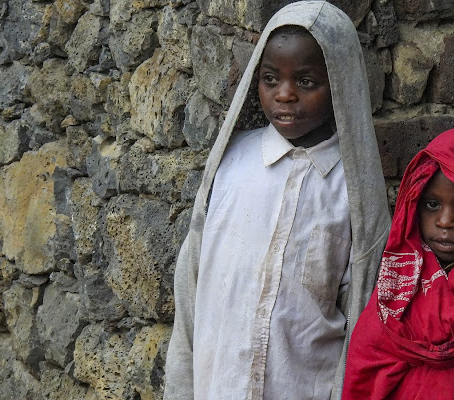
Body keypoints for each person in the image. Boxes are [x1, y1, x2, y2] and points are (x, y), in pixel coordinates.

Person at [163, 2, 391, 399]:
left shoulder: (350, 191)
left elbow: (361, 314)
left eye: (306, 82)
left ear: (339, 82)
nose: (285, 95)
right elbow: (191, 286)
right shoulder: (231, 165)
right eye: (270, 78)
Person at [342, 127, 454, 399]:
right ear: (413, 205)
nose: (445, 222)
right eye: (432, 205)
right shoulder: (398, 291)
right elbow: (365, 369)